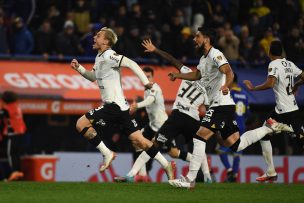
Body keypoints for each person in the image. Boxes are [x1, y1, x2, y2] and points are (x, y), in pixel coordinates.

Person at [167, 27, 293, 189]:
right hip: (222, 106)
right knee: (236, 145)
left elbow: (229, 72)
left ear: (206, 39)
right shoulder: (204, 59)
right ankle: (268, 128)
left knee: (199, 137)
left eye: (197, 36)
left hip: (221, 104)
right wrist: (178, 76)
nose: (194, 39)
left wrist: (226, 85)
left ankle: (189, 180)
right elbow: (196, 76)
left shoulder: (215, 53)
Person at [70, 27, 175, 180]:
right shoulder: (100, 57)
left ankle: (107, 153)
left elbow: (131, 63)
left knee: (81, 124)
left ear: (106, 41)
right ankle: (166, 164)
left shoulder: (109, 55)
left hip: (113, 106)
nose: (94, 38)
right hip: (121, 108)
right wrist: (79, 68)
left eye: (98, 36)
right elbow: (93, 77)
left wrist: (146, 82)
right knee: (140, 141)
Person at [115, 39, 212, 183]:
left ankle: (131, 175)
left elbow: (172, 59)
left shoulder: (186, 72)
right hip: (192, 118)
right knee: (199, 143)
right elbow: (209, 108)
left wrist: (155, 50)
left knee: (157, 147)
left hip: (177, 116)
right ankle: (208, 177)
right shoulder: (208, 89)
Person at [243, 40, 304, 182]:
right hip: (289, 108)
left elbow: (270, 83)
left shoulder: (273, 64)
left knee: (300, 141)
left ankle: (292, 131)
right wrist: (296, 85)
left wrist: (253, 88)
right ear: (281, 52)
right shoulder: (289, 64)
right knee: (265, 134)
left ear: (270, 53)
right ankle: (271, 171)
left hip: (284, 110)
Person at [129, 66, 169, 181]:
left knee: (174, 152)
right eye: (144, 77)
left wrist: (137, 105)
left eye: (149, 77)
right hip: (152, 126)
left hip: (162, 125)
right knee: (137, 141)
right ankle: (143, 175)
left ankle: (202, 166)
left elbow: (150, 101)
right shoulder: (145, 89)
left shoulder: (154, 88)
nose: (147, 79)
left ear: (153, 77)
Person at [216, 73, 250, 182]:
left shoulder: (229, 93)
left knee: (221, 150)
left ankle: (229, 170)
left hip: (231, 125)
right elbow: (247, 113)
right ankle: (234, 175)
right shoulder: (245, 94)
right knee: (237, 152)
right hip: (242, 126)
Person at [0, 91, 26, 181]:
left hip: (13, 134)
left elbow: (2, 114)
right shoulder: (16, 106)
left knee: (11, 153)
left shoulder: (7, 109)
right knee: (16, 154)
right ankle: (18, 172)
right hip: (20, 133)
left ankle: (15, 171)